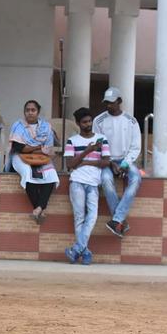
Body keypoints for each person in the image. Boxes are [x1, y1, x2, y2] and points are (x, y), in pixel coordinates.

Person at [63, 107, 110, 266]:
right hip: (76, 182)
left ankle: (76, 250)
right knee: (79, 218)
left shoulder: (102, 139)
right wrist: (88, 150)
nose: (88, 124)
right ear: (78, 123)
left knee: (93, 216)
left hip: (93, 183)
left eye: (90, 121)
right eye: (84, 122)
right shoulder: (72, 140)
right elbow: (70, 164)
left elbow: (106, 162)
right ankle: (85, 253)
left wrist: (85, 162)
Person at [93, 87, 141, 238]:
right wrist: (110, 163)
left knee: (136, 178)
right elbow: (97, 146)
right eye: (106, 102)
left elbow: (135, 147)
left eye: (111, 102)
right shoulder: (99, 120)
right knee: (106, 180)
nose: (108, 105)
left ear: (119, 101)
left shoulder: (131, 121)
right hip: (107, 160)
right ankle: (118, 220)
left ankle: (116, 219)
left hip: (125, 159)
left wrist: (125, 164)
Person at [8, 100, 59, 224]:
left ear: (38, 112)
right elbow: (21, 148)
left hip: (42, 157)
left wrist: (36, 150)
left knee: (51, 174)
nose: (30, 113)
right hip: (20, 157)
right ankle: (41, 208)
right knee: (27, 173)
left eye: (33, 110)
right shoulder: (18, 126)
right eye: (27, 110)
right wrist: (38, 148)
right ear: (24, 112)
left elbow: (48, 148)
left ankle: (38, 209)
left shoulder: (46, 127)